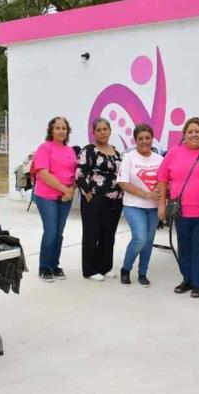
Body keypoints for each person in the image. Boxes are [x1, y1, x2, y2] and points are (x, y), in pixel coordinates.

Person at [157, 117, 199, 298]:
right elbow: (162, 179)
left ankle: (198, 283)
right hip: (181, 212)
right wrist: (162, 204)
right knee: (184, 248)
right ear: (184, 135)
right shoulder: (174, 152)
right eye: (190, 132)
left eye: (197, 131)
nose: (194, 135)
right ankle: (187, 279)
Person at [75, 118, 123, 281]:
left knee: (108, 233)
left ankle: (105, 266)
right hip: (94, 199)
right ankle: (90, 269)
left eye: (105, 129)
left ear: (110, 131)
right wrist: (88, 193)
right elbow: (80, 173)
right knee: (92, 233)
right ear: (93, 132)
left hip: (115, 199)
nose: (102, 132)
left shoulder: (116, 151)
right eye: (99, 130)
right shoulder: (88, 150)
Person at [116, 124, 164, 286]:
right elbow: (123, 182)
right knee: (140, 238)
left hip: (153, 207)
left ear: (152, 139)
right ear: (135, 140)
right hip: (133, 205)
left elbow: (164, 181)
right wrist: (145, 194)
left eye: (147, 138)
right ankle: (126, 268)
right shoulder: (129, 157)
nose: (144, 141)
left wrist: (158, 190)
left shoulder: (160, 159)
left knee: (149, 241)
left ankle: (143, 272)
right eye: (140, 138)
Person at [33, 117, 77, 283]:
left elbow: (75, 174)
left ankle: (54, 265)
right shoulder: (44, 148)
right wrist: (65, 189)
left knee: (59, 233)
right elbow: (43, 173)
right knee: (50, 232)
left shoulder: (70, 150)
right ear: (51, 131)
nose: (61, 131)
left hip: (66, 196)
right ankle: (44, 267)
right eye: (57, 128)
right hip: (47, 196)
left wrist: (71, 190)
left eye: (64, 128)